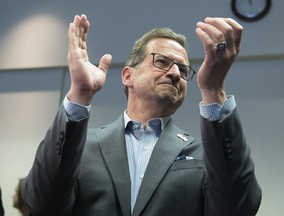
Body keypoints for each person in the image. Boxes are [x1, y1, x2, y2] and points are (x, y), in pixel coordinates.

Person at [21, 14, 262, 215]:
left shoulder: (203, 154)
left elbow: (238, 208)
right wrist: (79, 95)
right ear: (128, 76)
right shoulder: (84, 146)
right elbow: (42, 205)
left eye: (183, 68)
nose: (176, 73)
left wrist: (213, 90)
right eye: (163, 61)